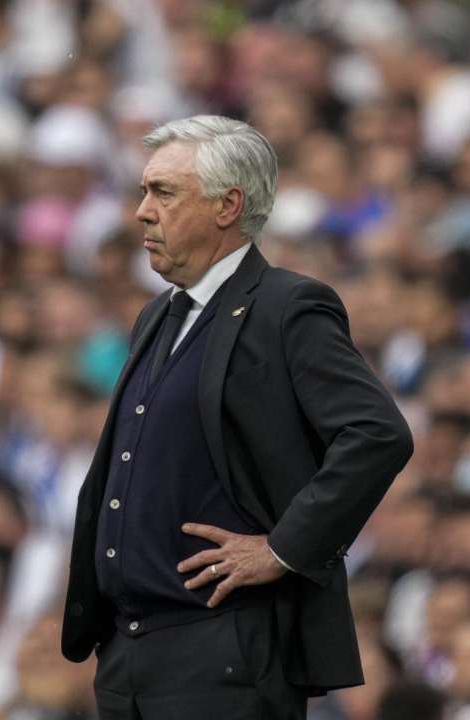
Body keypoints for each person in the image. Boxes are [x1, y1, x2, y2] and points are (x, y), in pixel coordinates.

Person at [60, 115, 414, 719]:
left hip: (224, 653)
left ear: (228, 206)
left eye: (163, 192)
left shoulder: (287, 306)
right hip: (128, 657)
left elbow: (377, 433)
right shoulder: (158, 314)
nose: (142, 212)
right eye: (144, 191)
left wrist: (283, 549)